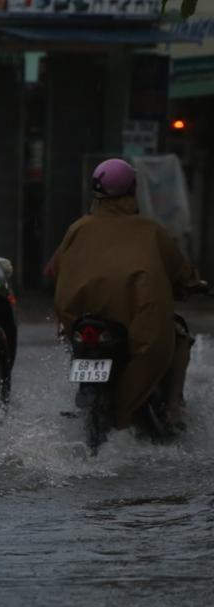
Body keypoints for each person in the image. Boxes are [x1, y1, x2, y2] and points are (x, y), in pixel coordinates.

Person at [52, 157, 203, 430]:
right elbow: (180, 270)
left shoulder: (77, 228)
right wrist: (194, 283)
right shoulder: (151, 231)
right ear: (132, 190)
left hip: (84, 324)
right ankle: (170, 413)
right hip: (134, 326)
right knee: (177, 338)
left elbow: (53, 269)